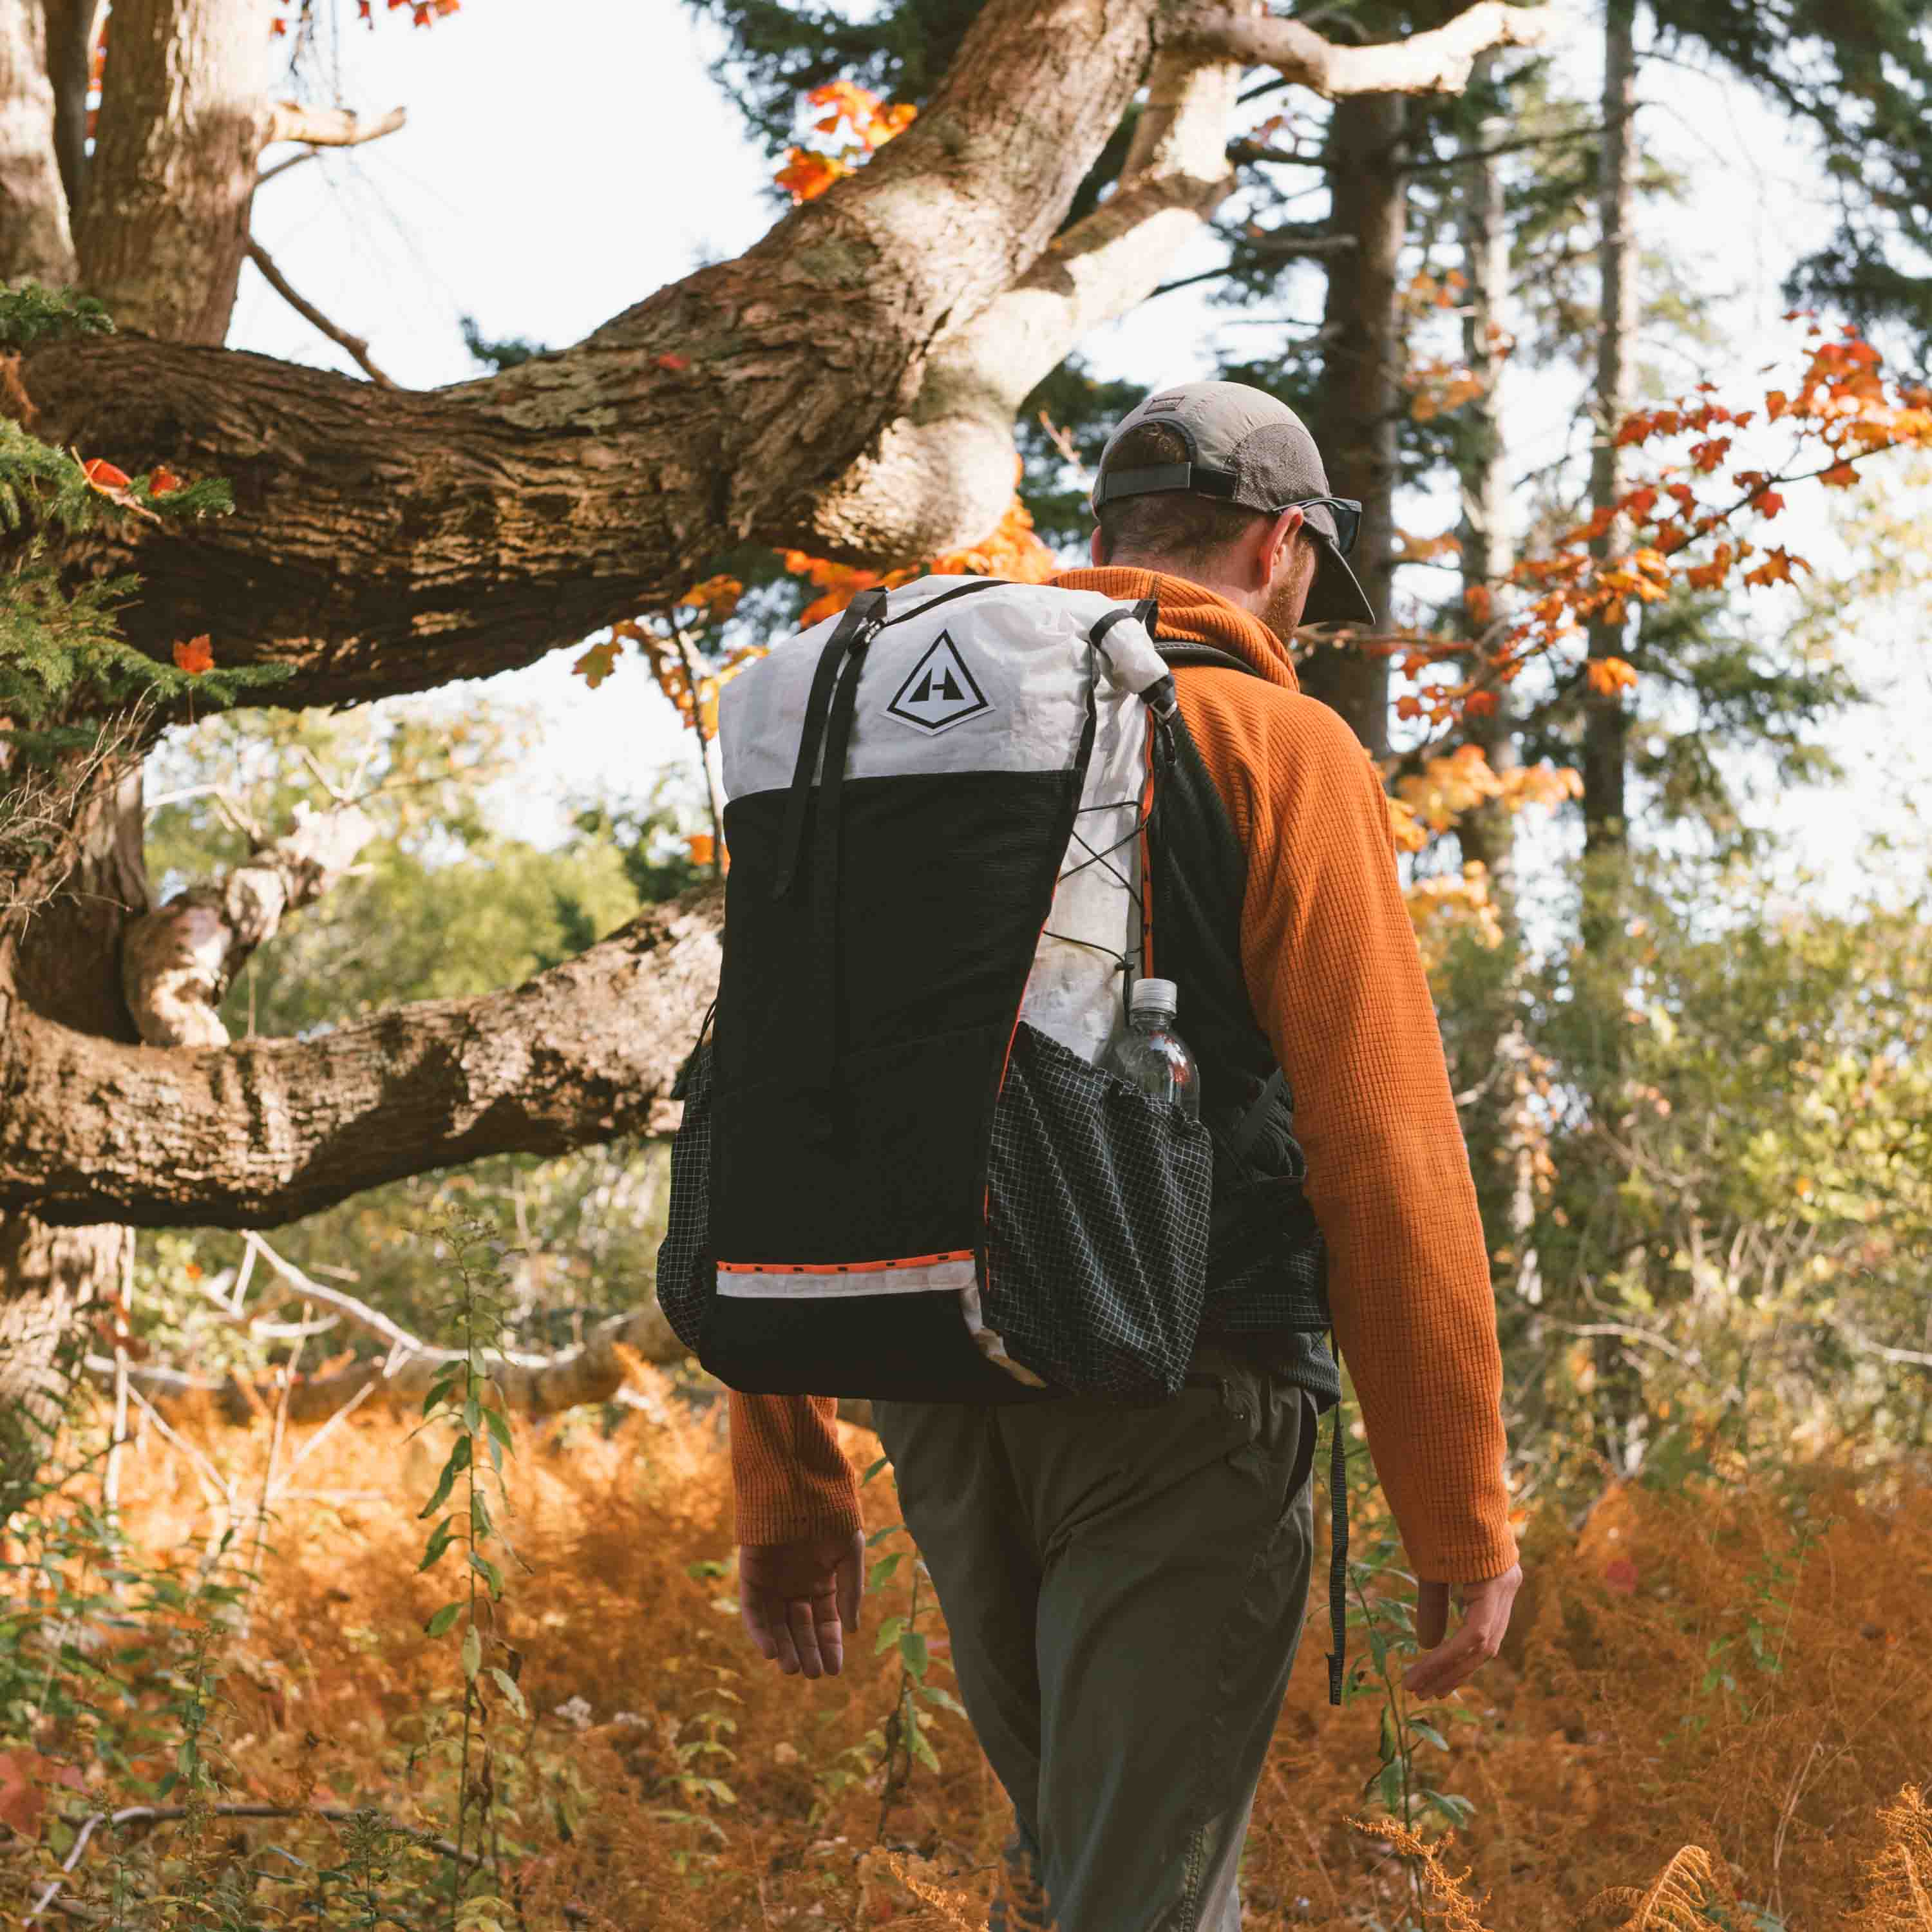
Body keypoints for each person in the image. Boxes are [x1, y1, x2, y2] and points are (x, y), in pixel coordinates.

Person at [725, 381, 1522, 1931]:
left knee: (1087, 1874)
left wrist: (789, 1475)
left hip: (937, 1386)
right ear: (1287, 548)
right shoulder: (1273, 742)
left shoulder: (907, 755)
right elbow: (1385, 1142)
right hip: (1188, 1392)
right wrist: (1459, 1510)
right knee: (1137, 1897)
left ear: (1106, 539)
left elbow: (777, 1097)